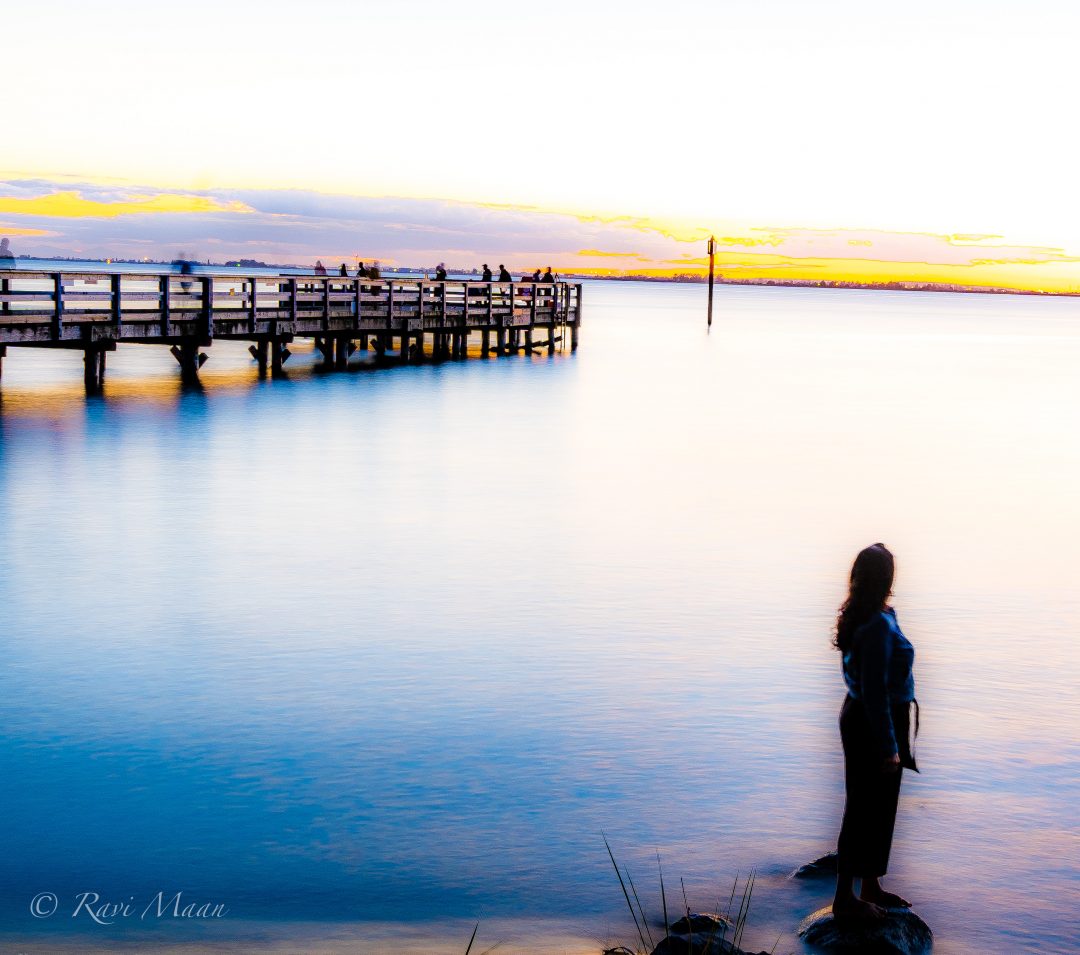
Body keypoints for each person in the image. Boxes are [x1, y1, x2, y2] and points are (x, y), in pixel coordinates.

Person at [832, 543, 917, 920]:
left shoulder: (866, 614)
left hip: (867, 715)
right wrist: (888, 746)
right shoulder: (876, 624)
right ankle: (844, 899)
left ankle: (869, 884)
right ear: (886, 579)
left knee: (880, 807)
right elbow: (874, 690)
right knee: (864, 809)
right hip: (873, 720)